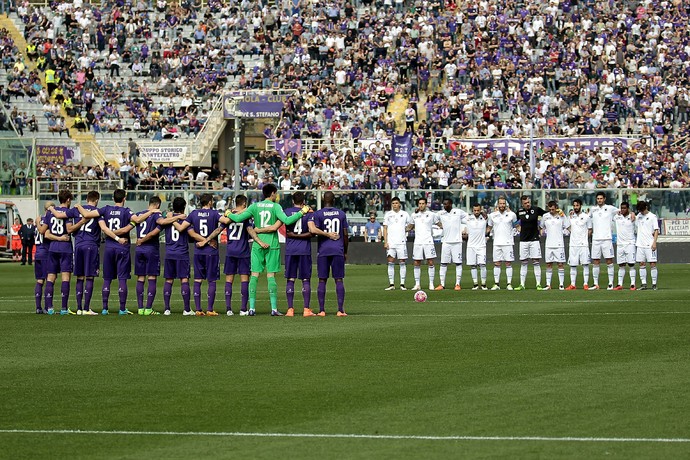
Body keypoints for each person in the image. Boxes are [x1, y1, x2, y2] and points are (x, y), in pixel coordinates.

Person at [224, 184, 309, 316]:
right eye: (276, 193)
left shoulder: (254, 206)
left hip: (258, 244)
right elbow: (286, 220)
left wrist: (229, 213)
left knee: (254, 275)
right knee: (270, 276)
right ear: (273, 193)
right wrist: (302, 212)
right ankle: (273, 309)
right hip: (272, 244)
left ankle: (251, 308)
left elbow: (238, 218)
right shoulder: (276, 206)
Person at [77, 188, 156, 315]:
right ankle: (122, 308)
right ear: (124, 199)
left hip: (108, 247)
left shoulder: (106, 209)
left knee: (107, 279)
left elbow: (87, 215)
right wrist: (151, 211)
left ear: (113, 199)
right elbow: (138, 220)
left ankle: (104, 308)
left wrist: (78, 206)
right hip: (122, 247)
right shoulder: (126, 211)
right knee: (122, 279)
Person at [202, 195, 279, 316]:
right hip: (243, 252)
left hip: (230, 251)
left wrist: (206, 240)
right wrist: (260, 242)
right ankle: (243, 309)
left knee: (229, 280)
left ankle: (228, 309)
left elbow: (218, 230)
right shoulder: (245, 217)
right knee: (244, 280)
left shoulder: (229, 216)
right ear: (244, 204)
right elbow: (251, 232)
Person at [72, 191, 128, 315]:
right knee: (90, 277)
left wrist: (51, 210)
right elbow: (104, 229)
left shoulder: (76, 210)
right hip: (91, 246)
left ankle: (79, 309)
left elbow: (63, 218)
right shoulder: (99, 213)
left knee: (80, 277)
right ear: (97, 200)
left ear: (87, 199)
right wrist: (118, 239)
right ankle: (87, 308)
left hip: (78, 245)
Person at [133, 196, 186, 315]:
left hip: (139, 249)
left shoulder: (139, 214)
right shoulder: (156, 215)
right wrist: (177, 217)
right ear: (157, 205)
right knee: (151, 278)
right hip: (150, 249)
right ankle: (148, 309)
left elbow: (134, 222)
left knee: (140, 278)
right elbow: (160, 224)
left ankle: (140, 308)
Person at [178, 193, 222, 316]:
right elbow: (226, 221)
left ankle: (198, 309)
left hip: (198, 251)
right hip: (211, 251)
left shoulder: (193, 214)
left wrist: (202, 241)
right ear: (209, 202)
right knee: (211, 281)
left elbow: (184, 229)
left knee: (197, 280)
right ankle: (209, 309)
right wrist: (207, 241)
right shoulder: (214, 213)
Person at [308, 191, 349, 316]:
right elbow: (346, 234)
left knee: (322, 280)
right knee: (339, 279)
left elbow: (315, 231)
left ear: (322, 199)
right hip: (338, 249)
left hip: (324, 250)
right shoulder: (341, 214)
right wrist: (345, 251)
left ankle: (321, 310)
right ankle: (340, 310)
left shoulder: (318, 214)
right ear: (334, 200)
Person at [43, 190, 83, 315]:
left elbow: (44, 232)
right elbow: (69, 229)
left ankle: (49, 308)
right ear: (68, 200)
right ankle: (64, 308)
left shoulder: (50, 213)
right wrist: (82, 222)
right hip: (65, 247)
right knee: (65, 277)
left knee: (51, 277)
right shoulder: (68, 212)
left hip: (53, 247)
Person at [283, 192, 317, 317]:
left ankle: (290, 309)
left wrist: (293, 235)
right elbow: (311, 233)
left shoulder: (286, 212)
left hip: (291, 249)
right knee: (305, 279)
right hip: (304, 249)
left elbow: (285, 229)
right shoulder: (309, 212)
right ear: (303, 202)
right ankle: (306, 309)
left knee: (290, 279)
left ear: (293, 201)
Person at [161, 197, 192, 315]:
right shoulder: (185, 219)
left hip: (169, 252)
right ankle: (187, 309)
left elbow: (160, 225)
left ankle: (167, 309)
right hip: (182, 253)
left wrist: (170, 217)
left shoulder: (168, 219)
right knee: (184, 279)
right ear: (184, 207)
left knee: (169, 280)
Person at [408, 197, 441, 291]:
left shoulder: (431, 214)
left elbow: (439, 224)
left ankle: (431, 283)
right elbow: (410, 227)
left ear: (426, 204)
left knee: (430, 261)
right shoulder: (414, 215)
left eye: (423, 203)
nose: (421, 205)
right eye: (420, 203)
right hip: (418, 241)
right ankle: (417, 284)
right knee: (416, 262)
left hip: (428, 241)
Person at [515, 195, 547, 290]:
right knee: (524, 262)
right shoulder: (520, 212)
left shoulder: (536, 209)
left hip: (534, 240)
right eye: (525, 203)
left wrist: (541, 227)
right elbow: (512, 220)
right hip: (523, 240)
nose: (528, 204)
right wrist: (516, 226)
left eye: (528, 202)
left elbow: (547, 215)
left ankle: (538, 284)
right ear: (522, 204)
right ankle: (522, 284)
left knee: (536, 262)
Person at [435, 198, 467, 290]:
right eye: (444, 204)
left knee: (458, 263)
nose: (445, 206)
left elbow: (468, 218)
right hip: (446, 242)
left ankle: (457, 284)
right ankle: (442, 284)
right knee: (443, 263)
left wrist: (465, 228)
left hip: (457, 242)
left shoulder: (458, 212)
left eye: (447, 204)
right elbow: (434, 220)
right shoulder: (441, 213)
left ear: (451, 204)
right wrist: (441, 226)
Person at [588, 192, 619, 290]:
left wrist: (631, 213)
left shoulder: (610, 208)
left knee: (609, 261)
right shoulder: (593, 209)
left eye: (601, 198)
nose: (599, 200)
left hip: (607, 239)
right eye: (598, 198)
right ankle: (595, 284)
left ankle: (610, 283)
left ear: (604, 199)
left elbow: (621, 211)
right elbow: (586, 218)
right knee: (595, 261)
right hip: (596, 239)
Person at [487, 196, 518, 290]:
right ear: (497, 204)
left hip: (508, 242)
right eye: (500, 203)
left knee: (508, 263)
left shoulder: (512, 214)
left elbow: (517, 226)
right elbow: (489, 228)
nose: (502, 205)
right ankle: (497, 284)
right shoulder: (492, 215)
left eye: (503, 203)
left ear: (506, 204)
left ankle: (509, 284)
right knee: (497, 263)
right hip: (496, 242)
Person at [383, 197, 412, 290]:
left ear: (399, 204)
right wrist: (385, 241)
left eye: (396, 203)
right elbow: (385, 228)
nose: (395, 205)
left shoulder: (405, 214)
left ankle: (402, 284)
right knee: (390, 262)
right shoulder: (388, 214)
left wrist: (406, 230)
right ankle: (391, 284)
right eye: (393, 203)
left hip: (401, 242)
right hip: (391, 242)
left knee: (402, 262)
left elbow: (411, 224)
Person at [540, 201, 569, 290]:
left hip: (559, 244)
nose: (551, 211)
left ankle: (561, 284)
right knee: (548, 264)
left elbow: (567, 225)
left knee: (560, 264)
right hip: (549, 244)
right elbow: (541, 227)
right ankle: (548, 285)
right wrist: (541, 232)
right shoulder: (545, 216)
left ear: (556, 207)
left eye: (553, 209)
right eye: (550, 209)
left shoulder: (561, 216)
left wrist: (563, 215)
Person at [565, 199, 593, 290]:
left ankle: (585, 284)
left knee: (585, 264)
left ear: (581, 205)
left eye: (577, 205)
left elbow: (590, 229)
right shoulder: (571, 217)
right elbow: (568, 228)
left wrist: (585, 239)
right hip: (573, 244)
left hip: (583, 244)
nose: (575, 207)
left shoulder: (586, 217)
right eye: (574, 205)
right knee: (573, 265)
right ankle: (573, 284)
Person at [635, 201, 659, 290]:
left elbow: (656, 230)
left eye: (642, 209)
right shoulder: (639, 216)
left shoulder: (652, 217)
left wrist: (654, 242)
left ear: (646, 207)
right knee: (641, 264)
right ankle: (643, 284)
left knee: (652, 264)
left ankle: (654, 284)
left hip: (650, 244)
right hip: (640, 244)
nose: (641, 211)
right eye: (639, 210)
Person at [463, 204, 489, 290]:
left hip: (481, 246)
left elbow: (490, 217)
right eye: (475, 210)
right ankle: (475, 284)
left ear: (480, 210)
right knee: (473, 266)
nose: (476, 212)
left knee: (482, 265)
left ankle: (484, 284)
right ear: (472, 210)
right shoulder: (468, 219)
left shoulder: (484, 218)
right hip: (471, 246)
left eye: (478, 210)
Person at [32, 203, 52, 314]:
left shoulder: (39, 220)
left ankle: (38, 307)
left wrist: (37, 222)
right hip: (45, 253)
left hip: (38, 253)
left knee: (40, 280)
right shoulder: (48, 220)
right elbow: (45, 233)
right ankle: (48, 307)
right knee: (49, 280)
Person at [613, 202, 637, 290]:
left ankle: (633, 284)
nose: (622, 210)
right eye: (621, 208)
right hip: (620, 244)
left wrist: (633, 213)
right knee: (621, 265)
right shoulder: (616, 216)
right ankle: (620, 284)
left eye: (624, 208)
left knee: (631, 264)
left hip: (630, 244)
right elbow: (608, 211)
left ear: (628, 208)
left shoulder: (632, 217)